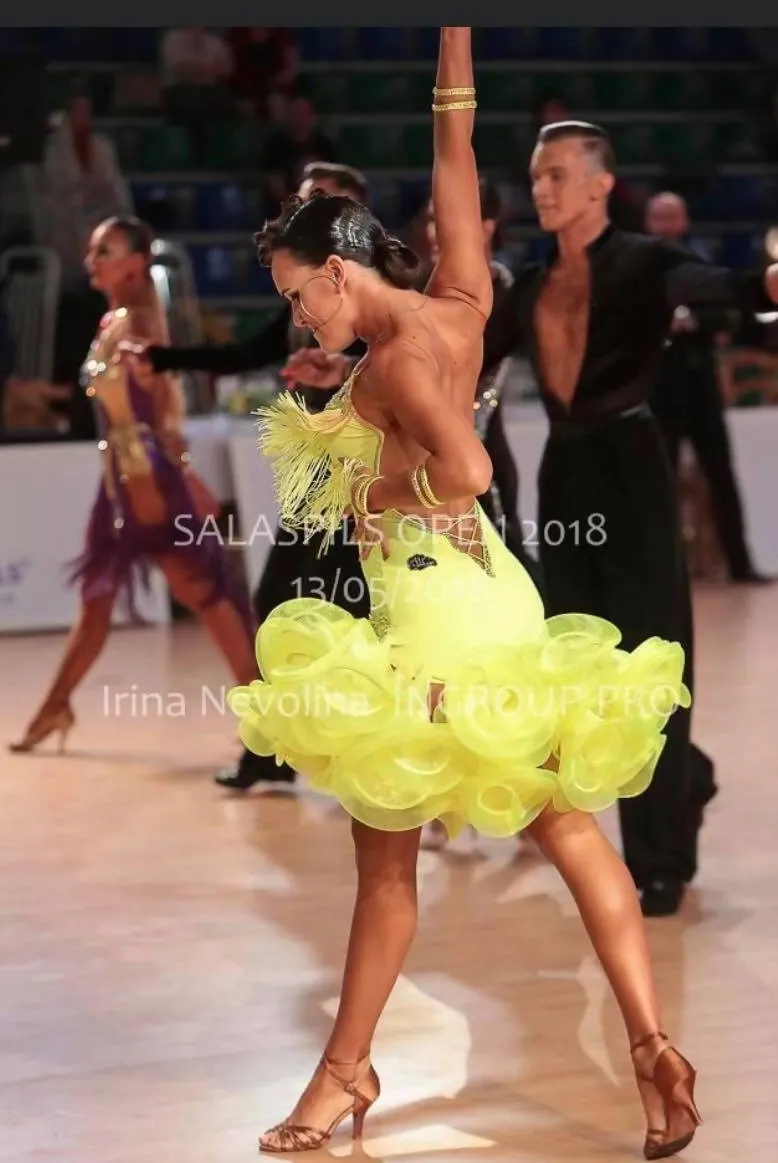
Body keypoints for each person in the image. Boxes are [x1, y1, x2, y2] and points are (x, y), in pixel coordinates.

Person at [228, 31, 701, 1159]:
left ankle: (343, 1074)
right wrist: (453, 52)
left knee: (386, 864)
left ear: (338, 272)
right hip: (503, 606)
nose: (303, 319)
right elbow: (456, 145)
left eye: (301, 298)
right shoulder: (459, 299)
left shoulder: (387, 365)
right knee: (571, 829)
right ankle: (653, 1050)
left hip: (436, 620)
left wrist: (392, 487)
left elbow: (474, 471)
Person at [481, 120, 778, 918]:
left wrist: (768, 286)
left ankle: (660, 860)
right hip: (566, 469)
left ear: (599, 182)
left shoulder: (644, 262)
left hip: (633, 466)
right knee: (580, 669)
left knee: (654, 659)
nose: (540, 188)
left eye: (556, 173)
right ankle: (691, 770)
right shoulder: (530, 286)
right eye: (535, 176)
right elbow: (461, 360)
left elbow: (727, 287)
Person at [133, 162, 371, 791]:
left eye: (318, 199)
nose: (304, 207)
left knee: (359, 618)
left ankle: (371, 756)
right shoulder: (304, 296)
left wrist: (341, 369)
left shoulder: (375, 296)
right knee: (277, 607)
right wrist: (161, 358)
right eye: (300, 198)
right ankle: (271, 752)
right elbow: (244, 353)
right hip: (311, 477)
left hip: (362, 479)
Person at [9, 216, 257, 754]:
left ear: (136, 262)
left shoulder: (140, 320)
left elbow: (154, 408)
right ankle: (57, 704)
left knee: (203, 591)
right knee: (99, 596)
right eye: (93, 250)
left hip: (143, 475)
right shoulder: (117, 319)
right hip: (120, 476)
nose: (90, 261)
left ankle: (264, 715)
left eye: (104, 251)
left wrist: (172, 476)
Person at [646, 191, 769, 583]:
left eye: (672, 217)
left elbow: (727, 312)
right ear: (649, 223)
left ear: (684, 222)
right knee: (657, 482)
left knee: (721, 474)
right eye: (659, 217)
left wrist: (692, 322)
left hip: (700, 386)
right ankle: (664, 570)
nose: (666, 225)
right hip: (657, 390)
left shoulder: (699, 262)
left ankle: (740, 563)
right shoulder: (637, 268)